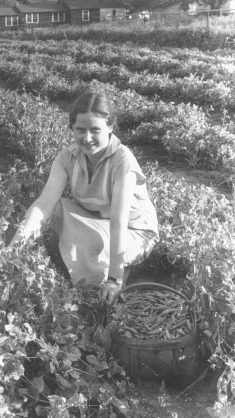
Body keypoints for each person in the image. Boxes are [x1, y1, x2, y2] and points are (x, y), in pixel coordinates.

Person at [9, 92, 159, 302]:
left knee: (89, 243)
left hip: (133, 232)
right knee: (55, 209)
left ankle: (111, 277)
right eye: (80, 130)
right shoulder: (66, 157)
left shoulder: (122, 161)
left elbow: (118, 221)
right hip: (96, 220)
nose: (87, 138)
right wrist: (14, 248)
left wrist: (114, 278)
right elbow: (44, 204)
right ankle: (87, 265)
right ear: (72, 129)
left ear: (110, 127)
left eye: (95, 130)